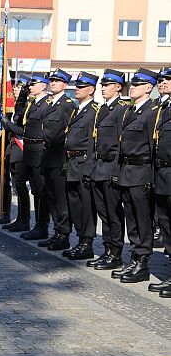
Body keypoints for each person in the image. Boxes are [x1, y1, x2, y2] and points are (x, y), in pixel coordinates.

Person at [111, 67, 159, 284]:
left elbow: (153, 147)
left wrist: (151, 178)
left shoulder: (151, 111)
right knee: (131, 219)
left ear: (149, 88)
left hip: (141, 173)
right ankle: (135, 258)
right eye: (132, 84)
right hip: (127, 172)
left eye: (138, 85)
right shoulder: (131, 111)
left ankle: (143, 262)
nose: (133, 88)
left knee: (143, 220)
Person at [87, 69, 128, 270]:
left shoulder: (122, 110)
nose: (103, 88)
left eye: (107, 85)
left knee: (113, 213)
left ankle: (116, 253)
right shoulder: (103, 109)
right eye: (102, 85)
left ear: (118, 87)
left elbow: (122, 143)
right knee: (103, 213)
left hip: (111, 167)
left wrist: (116, 171)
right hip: (99, 167)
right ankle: (107, 249)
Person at [62, 72, 98, 261]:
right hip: (72, 164)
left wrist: (89, 168)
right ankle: (80, 240)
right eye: (76, 86)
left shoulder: (94, 111)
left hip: (83, 163)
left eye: (81, 87)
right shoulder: (78, 110)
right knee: (74, 205)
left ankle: (87, 243)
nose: (76, 89)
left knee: (86, 207)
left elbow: (93, 142)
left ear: (91, 90)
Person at [37, 69, 75, 251]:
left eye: (57, 81)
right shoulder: (51, 103)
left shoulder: (67, 104)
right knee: (51, 197)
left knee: (61, 199)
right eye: (51, 81)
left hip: (59, 156)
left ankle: (64, 235)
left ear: (65, 85)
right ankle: (57, 232)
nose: (53, 83)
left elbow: (64, 132)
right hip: (48, 156)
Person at [20, 73, 52, 241]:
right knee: (35, 190)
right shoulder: (33, 104)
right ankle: (37, 225)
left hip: (39, 150)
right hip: (30, 150)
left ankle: (42, 226)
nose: (30, 87)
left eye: (33, 84)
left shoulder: (47, 104)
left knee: (41, 191)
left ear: (43, 86)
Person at [150, 65, 171, 298]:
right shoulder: (163, 109)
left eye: (168, 79)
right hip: (162, 175)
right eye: (161, 79)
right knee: (166, 227)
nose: (162, 83)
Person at [1, 75, 31, 232]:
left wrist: (8, 125)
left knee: (20, 185)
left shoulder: (28, 106)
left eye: (20, 87)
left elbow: (23, 131)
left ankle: (24, 219)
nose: (16, 90)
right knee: (17, 185)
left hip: (21, 149)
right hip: (13, 149)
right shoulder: (19, 106)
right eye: (17, 88)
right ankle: (20, 217)